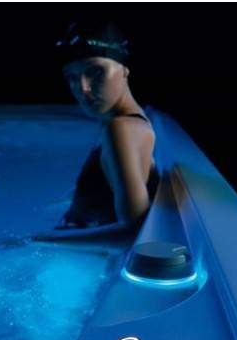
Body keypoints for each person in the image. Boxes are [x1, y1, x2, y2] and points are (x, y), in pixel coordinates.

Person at [52, 20, 159, 235]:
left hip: (79, 253)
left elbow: (133, 233)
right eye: (72, 77)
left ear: (124, 70)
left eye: (95, 71)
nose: (83, 88)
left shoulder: (121, 129)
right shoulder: (128, 123)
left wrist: (37, 241)